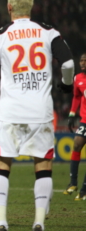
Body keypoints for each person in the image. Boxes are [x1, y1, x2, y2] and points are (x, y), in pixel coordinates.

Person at [0, 0, 74, 231]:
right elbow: (69, 63)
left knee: (2, 164)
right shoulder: (49, 32)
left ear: (9, 7)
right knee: (43, 165)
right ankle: (39, 221)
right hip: (40, 112)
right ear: (30, 6)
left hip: (10, 111)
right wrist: (66, 84)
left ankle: (1, 221)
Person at [63, 53, 86, 199]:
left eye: (85, 60)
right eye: (81, 60)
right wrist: (72, 114)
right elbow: (77, 96)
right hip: (85, 119)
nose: (83, 63)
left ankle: (84, 190)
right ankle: (73, 182)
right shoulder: (78, 78)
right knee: (77, 144)